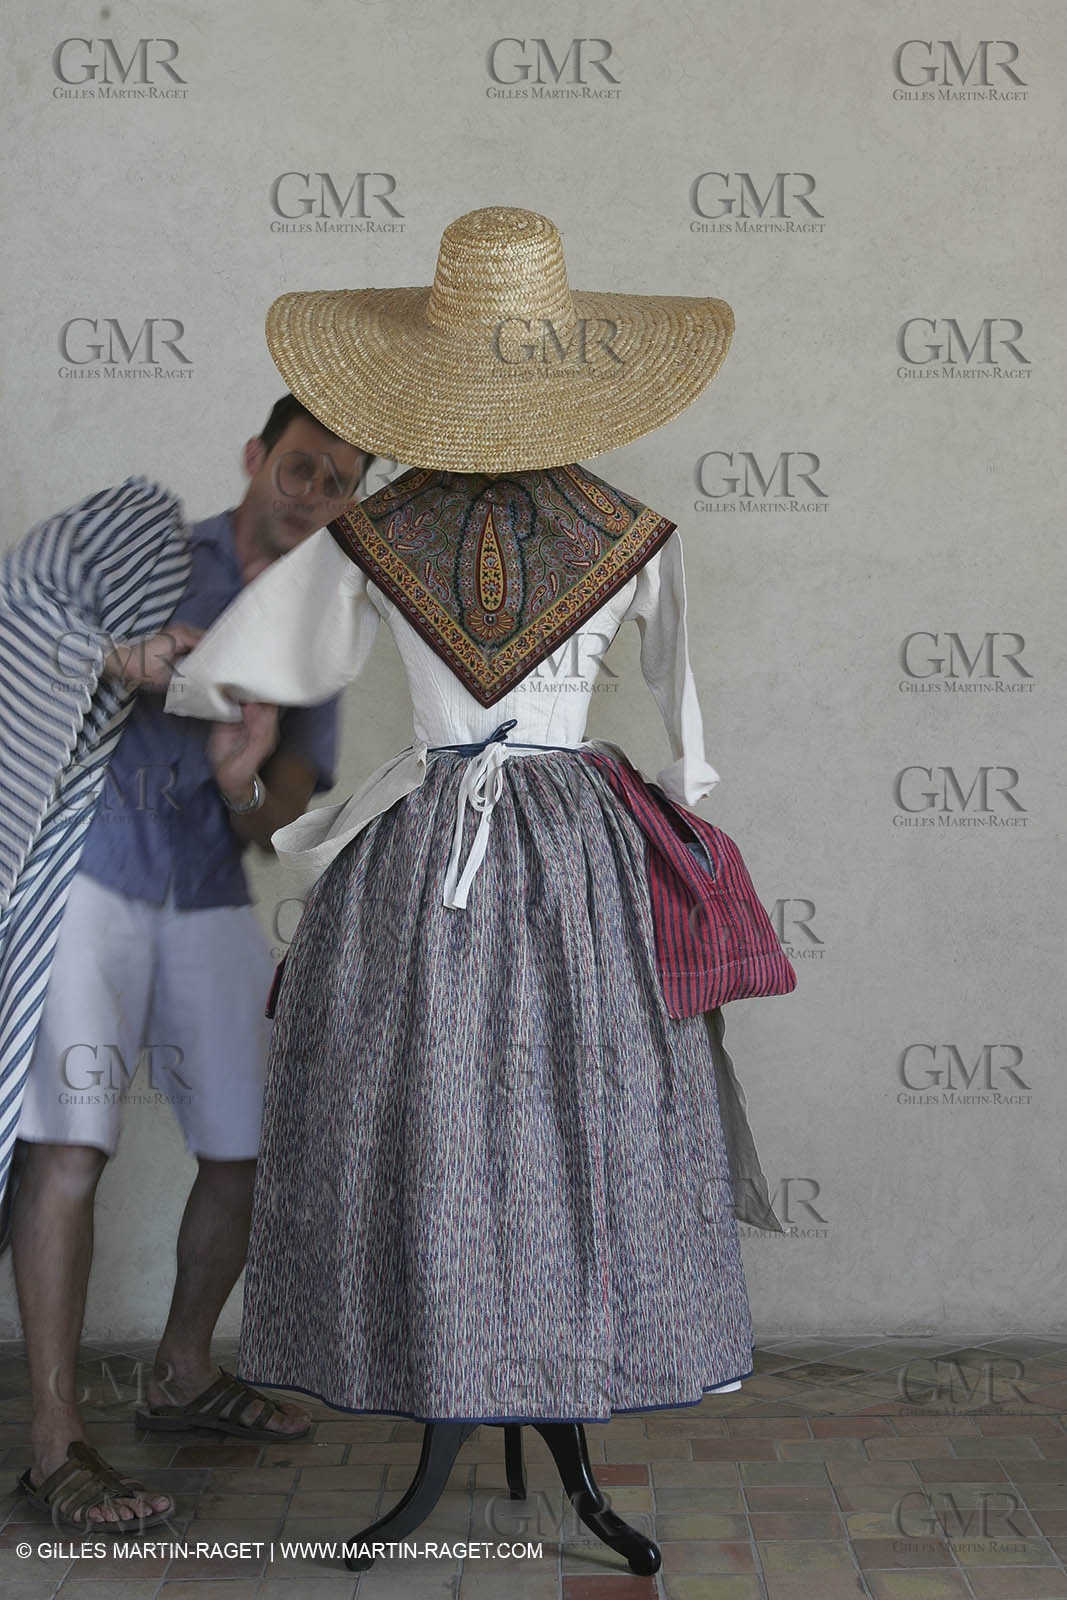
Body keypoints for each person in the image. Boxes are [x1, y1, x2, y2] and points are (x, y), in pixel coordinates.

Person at [165, 207, 788, 1434]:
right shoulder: (635, 535)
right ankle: (503, 1362)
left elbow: (232, 666)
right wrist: (689, 780)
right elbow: (684, 726)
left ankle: (481, 1365)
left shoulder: (370, 536)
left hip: (427, 842)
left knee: (432, 1100)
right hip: (583, 843)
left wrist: (195, 696)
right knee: (570, 1100)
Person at [2, 396, 371, 1530]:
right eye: (300, 469)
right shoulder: (148, 547)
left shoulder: (321, 624)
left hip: (207, 885)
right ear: (257, 458)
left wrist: (238, 776)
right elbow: (23, 614)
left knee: (246, 1148)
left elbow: (287, 809)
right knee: (69, 1144)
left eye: (338, 486)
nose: (311, 498)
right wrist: (127, 656)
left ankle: (179, 1369)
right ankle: (56, 1437)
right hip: (89, 879)